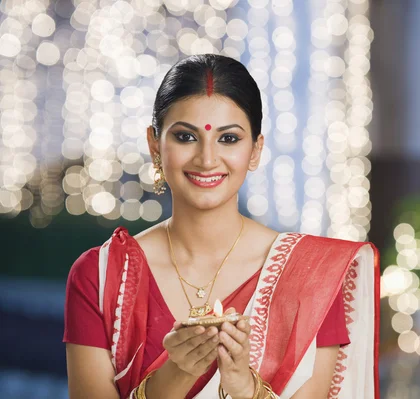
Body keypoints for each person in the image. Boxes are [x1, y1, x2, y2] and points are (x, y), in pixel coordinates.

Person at [63, 54, 380, 399]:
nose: (207, 159)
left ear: (255, 150)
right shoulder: (102, 276)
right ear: (155, 145)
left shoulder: (312, 277)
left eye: (228, 139)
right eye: (185, 137)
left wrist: (244, 386)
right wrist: (177, 372)